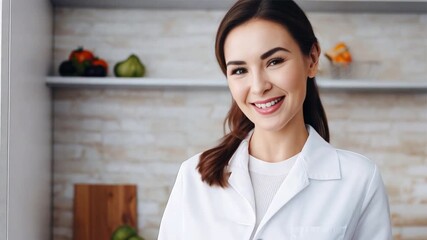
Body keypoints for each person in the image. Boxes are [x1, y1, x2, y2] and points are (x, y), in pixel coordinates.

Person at [158, 0, 392, 239]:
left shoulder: (360, 179)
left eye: (274, 61)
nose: (259, 87)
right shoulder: (193, 177)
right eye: (240, 70)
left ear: (311, 59)